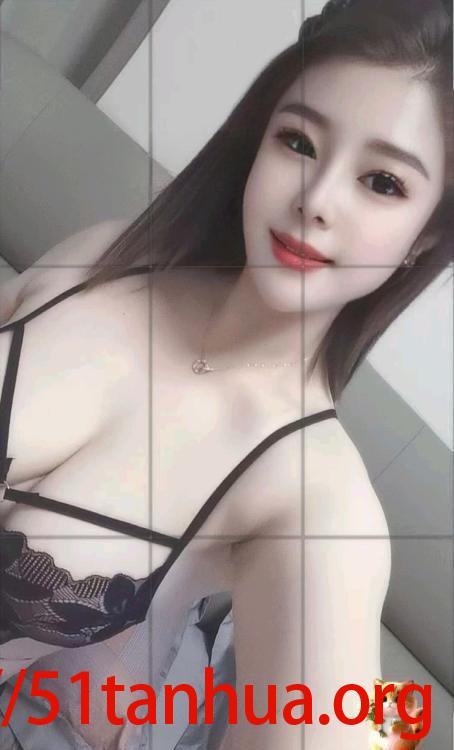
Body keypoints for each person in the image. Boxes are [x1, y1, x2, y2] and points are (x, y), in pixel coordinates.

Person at [0, 0, 452, 748]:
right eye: (299, 141)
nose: (316, 200)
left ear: (425, 237)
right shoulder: (105, 256)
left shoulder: (314, 498)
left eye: (382, 182)